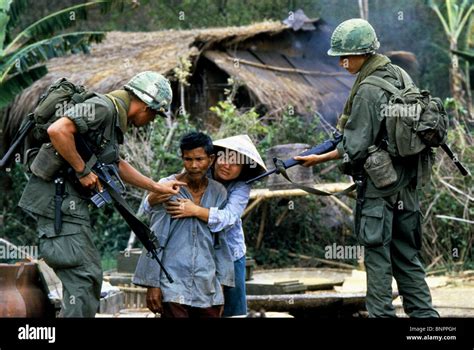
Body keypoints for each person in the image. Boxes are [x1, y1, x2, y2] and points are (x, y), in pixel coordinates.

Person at [294, 19, 439, 318]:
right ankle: (426, 322)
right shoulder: (399, 74)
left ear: (365, 53)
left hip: (380, 188)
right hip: (408, 184)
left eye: (346, 56)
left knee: (377, 258)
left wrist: (318, 158)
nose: (342, 62)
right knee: (407, 256)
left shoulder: (368, 90)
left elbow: (355, 146)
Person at [18, 71, 185, 317]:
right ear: (146, 106)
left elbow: (115, 163)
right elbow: (58, 130)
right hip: (59, 206)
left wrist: (155, 186)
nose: (151, 120)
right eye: (154, 114)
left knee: (88, 279)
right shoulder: (104, 108)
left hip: (67, 207)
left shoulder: (112, 117)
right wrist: (82, 169)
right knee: (84, 279)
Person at [145, 135, 266, 317]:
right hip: (188, 256)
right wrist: (153, 197)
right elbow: (150, 210)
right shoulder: (196, 172)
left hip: (230, 252)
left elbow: (229, 218)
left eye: (235, 163)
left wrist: (194, 210)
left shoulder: (240, 187)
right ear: (213, 159)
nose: (227, 165)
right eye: (224, 158)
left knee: (231, 310)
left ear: (243, 168)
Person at [133, 132, 235, 318]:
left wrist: (221, 284)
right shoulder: (168, 187)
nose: (194, 165)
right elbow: (155, 238)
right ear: (182, 158)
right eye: (188, 159)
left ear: (211, 159)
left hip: (207, 284)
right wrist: (152, 284)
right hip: (172, 282)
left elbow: (220, 241)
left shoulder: (218, 191)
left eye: (199, 159)